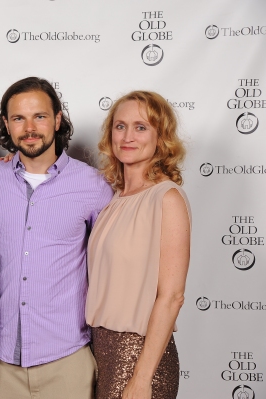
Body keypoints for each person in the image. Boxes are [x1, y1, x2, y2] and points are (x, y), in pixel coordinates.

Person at [0, 77, 113, 399]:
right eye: (19, 118)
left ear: (58, 119)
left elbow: (115, 260)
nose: (30, 128)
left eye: (39, 116)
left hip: (67, 360)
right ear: (7, 125)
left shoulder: (93, 186)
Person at [85, 91, 191, 399]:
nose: (128, 136)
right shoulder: (113, 199)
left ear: (161, 137)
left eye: (141, 127)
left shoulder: (166, 198)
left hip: (139, 356)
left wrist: (142, 378)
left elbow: (172, 296)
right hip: (99, 351)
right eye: (120, 126)